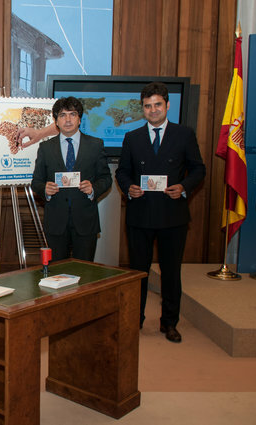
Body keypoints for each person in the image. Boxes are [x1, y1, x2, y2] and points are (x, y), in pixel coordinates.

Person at [115, 82, 206, 343]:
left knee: (171, 272)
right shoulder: (132, 137)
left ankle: (170, 323)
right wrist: (128, 187)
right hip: (140, 214)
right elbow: (122, 171)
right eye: (147, 106)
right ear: (142, 109)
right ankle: (135, 320)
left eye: (157, 104)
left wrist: (184, 187)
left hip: (172, 215)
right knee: (137, 272)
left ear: (167, 105)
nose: (153, 110)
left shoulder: (184, 134)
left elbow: (198, 169)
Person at [31, 96, 112, 261]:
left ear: (79, 119)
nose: (68, 119)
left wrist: (93, 189)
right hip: (55, 222)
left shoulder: (95, 145)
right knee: (57, 275)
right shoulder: (45, 148)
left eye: (72, 114)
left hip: (85, 221)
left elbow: (106, 178)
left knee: (85, 273)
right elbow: (36, 181)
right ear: (56, 121)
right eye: (62, 115)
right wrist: (44, 189)